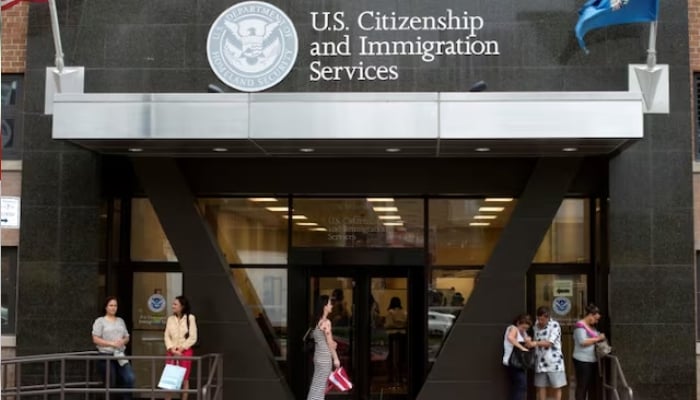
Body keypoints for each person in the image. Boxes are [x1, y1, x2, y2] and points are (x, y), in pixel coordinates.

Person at [91, 296, 135, 400]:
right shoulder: (100, 321)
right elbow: (95, 339)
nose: (113, 308)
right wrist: (111, 344)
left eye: (115, 305)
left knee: (129, 378)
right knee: (111, 382)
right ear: (106, 307)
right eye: (111, 305)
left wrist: (122, 341)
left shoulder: (120, 321)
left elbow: (127, 336)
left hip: (119, 354)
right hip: (106, 354)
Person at [164, 295, 198, 400]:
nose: (173, 306)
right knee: (169, 380)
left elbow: (193, 337)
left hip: (185, 352)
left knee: (185, 379)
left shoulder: (190, 318)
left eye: (175, 304)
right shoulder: (170, 319)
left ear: (182, 306)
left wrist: (181, 349)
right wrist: (171, 349)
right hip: (172, 352)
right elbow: (166, 336)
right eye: (173, 304)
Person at [306, 295, 340, 400]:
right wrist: (336, 359)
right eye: (330, 304)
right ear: (324, 306)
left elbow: (322, 340)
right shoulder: (326, 322)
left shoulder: (316, 322)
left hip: (318, 357)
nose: (332, 306)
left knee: (316, 385)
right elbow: (329, 343)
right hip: (325, 358)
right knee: (320, 388)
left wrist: (332, 343)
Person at [532, 306, 567, 400]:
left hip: (554, 361)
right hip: (540, 361)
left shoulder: (554, 325)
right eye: (539, 319)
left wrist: (535, 343)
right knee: (540, 386)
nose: (540, 321)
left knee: (557, 386)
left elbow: (549, 343)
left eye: (542, 319)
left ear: (547, 317)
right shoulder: (536, 325)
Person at [573, 304, 606, 400]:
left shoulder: (591, 327)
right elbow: (582, 342)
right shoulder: (580, 325)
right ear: (590, 315)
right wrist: (598, 338)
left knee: (590, 386)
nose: (596, 321)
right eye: (595, 319)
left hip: (592, 360)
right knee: (582, 386)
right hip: (582, 360)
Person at [502, 314, 534, 400]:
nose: (524, 329)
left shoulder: (523, 332)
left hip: (519, 362)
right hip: (513, 361)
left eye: (526, 328)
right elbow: (510, 338)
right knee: (521, 385)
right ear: (518, 323)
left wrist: (527, 340)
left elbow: (528, 344)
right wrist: (521, 347)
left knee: (517, 386)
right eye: (523, 327)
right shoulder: (513, 328)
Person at [385, 297, 408, 386]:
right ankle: (401, 376)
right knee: (402, 355)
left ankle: (392, 376)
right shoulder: (404, 312)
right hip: (403, 335)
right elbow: (406, 322)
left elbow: (388, 324)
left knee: (393, 355)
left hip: (393, 335)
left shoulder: (390, 313)